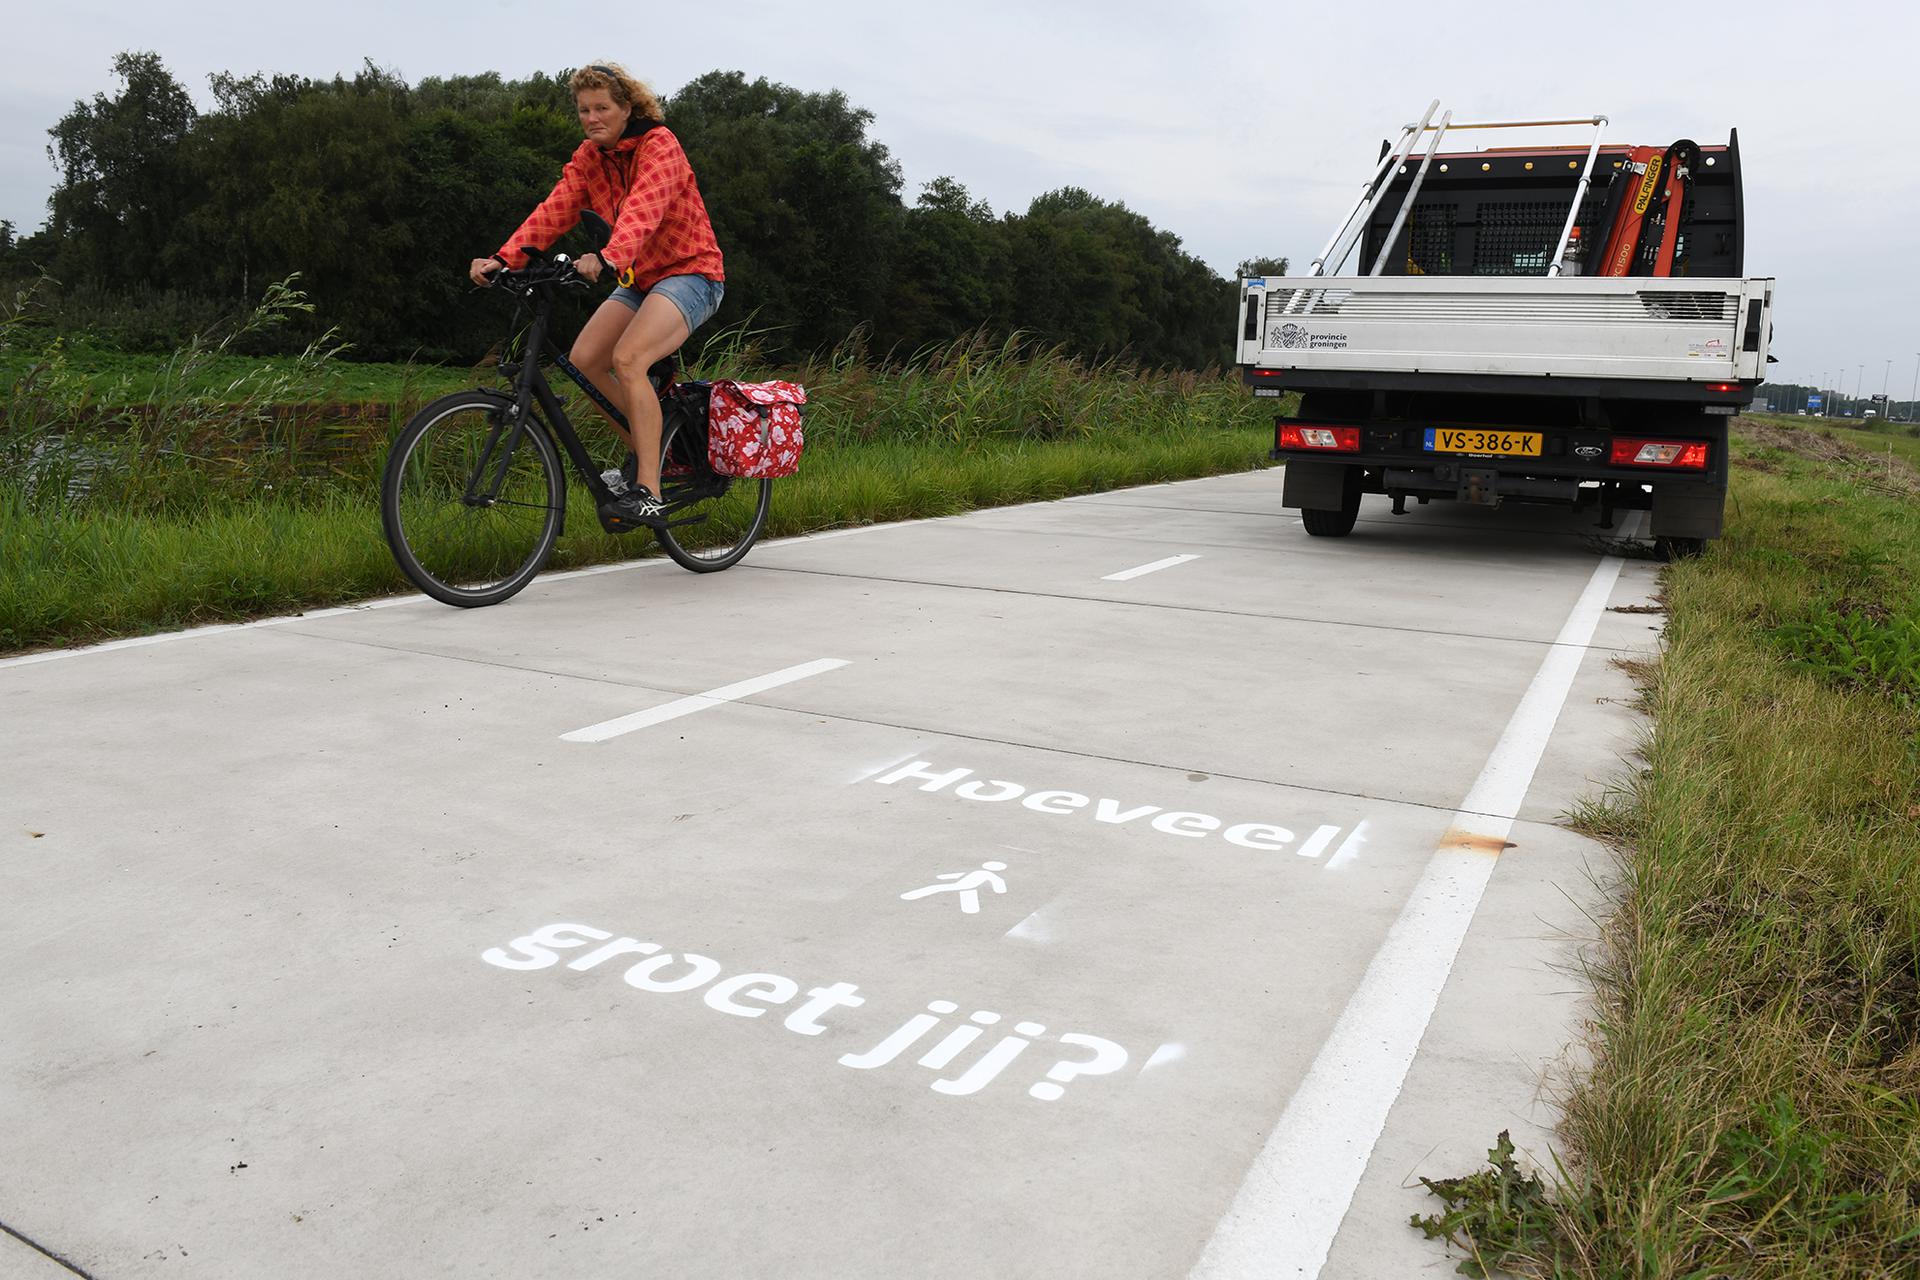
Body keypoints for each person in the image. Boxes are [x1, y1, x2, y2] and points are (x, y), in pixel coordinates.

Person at [469, 62, 725, 525]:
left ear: (627, 107)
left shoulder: (659, 145)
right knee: (585, 361)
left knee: (628, 359)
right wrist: (504, 260)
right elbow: (553, 211)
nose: (592, 117)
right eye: (584, 109)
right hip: (640, 279)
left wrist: (609, 257)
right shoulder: (590, 157)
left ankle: (648, 489)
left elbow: (644, 209)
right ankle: (657, 451)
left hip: (692, 274)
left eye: (602, 107)